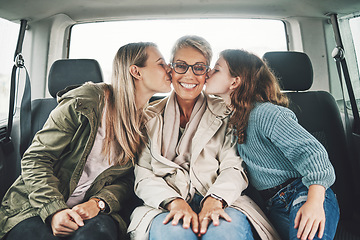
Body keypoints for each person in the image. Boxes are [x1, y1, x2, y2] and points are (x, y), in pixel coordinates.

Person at [0, 42, 172, 240]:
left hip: (93, 211)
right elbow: (36, 159)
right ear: (136, 71)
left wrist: (99, 203)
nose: (169, 68)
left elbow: (128, 180)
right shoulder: (85, 101)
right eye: (161, 63)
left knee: (99, 234)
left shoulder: (148, 122)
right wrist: (54, 210)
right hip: (36, 204)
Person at [128, 36, 280, 240]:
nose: (189, 75)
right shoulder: (148, 117)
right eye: (181, 66)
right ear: (171, 70)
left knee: (224, 232)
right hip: (164, 204)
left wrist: (214, 200)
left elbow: (234, 167)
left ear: (207, 73)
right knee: (173, 232)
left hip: (223, 200)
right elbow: (144, 175)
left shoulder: (228, 113)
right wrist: (175, 202)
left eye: (199, 68)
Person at [205, 49, 340, 240]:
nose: (208, 72)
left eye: (216, 69)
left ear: (234, 82)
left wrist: (315, 202)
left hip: (303, 192)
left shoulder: (265, 113)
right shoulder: (231, 119)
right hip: (273, 205)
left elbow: (314, 154)